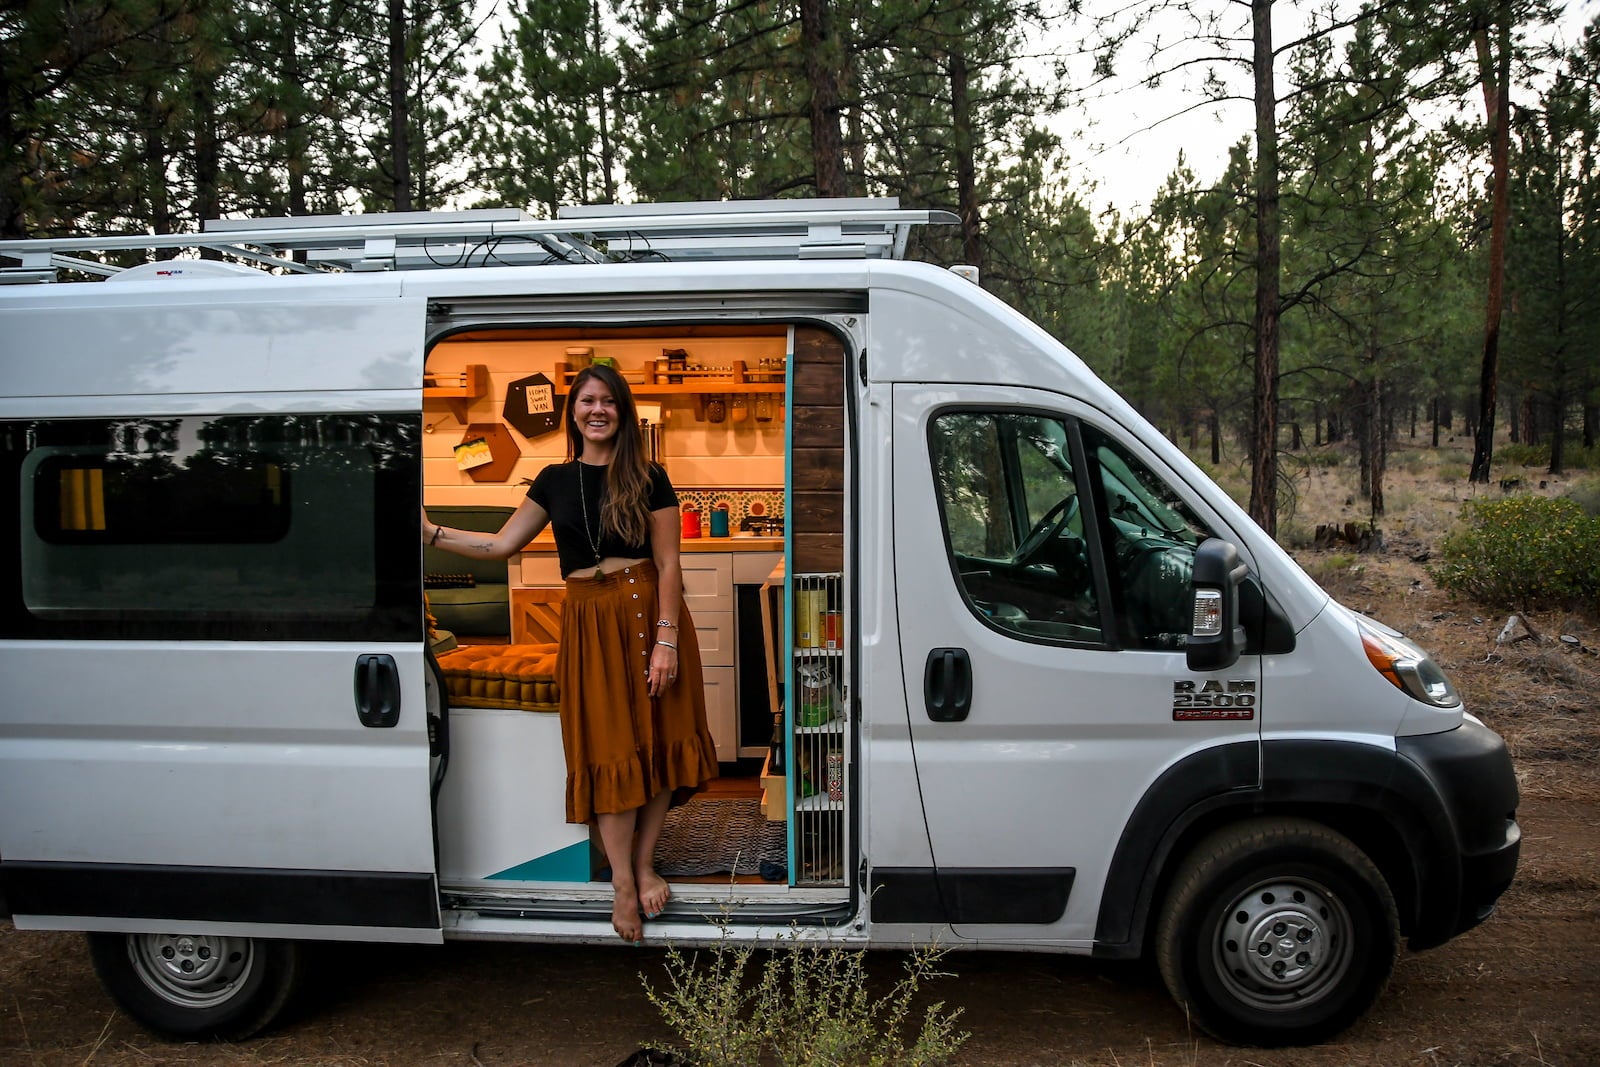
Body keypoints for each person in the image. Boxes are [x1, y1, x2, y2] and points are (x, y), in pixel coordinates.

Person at [422, 364, 719, 943]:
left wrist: (666, 640)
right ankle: (624, 887)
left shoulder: (650, 476)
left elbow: (668, 563)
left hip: (648, 614)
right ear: (573, 412)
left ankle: (642, 862)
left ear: (622, 411)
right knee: (607, 749)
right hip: (589, 620)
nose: (598, 410)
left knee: (659, 741)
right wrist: (432, 533)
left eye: (608, 400)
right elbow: (502, 544)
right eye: (587, 401)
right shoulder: (551, 480)